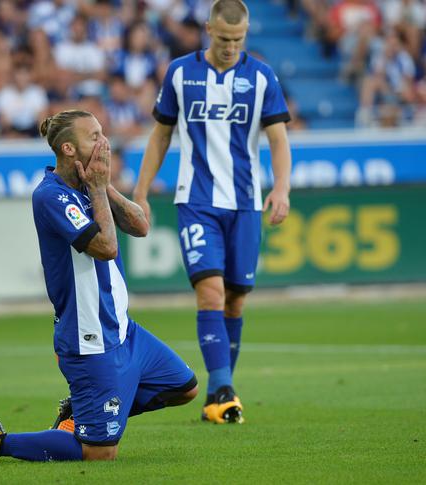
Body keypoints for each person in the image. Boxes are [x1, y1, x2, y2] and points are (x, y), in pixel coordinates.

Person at [0, 109, 198, 463]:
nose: (104, 143)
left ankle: (81, 416)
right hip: (89, 338)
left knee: (184, 388)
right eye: (94, 136)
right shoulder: (50, 196)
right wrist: (98, 189)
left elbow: (141, 226)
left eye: (103, 132)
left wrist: (103, 186)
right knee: (100, 454)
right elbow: (105, 248)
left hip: (124, 331)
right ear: (68, 149)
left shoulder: (91, 185)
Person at [132, 0, 292, 424]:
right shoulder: (182, 73)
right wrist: (141, 192)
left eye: (238, 40)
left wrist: (282, 188)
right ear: (208, 30)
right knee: (211, 293)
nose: (230, 47)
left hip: (244, 203)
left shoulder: (261, 77)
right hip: (197, 201)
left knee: (236, 299)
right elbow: (160, 136)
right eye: (223, 39)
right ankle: (222, 386)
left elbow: (278, 139)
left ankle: (219, 397)